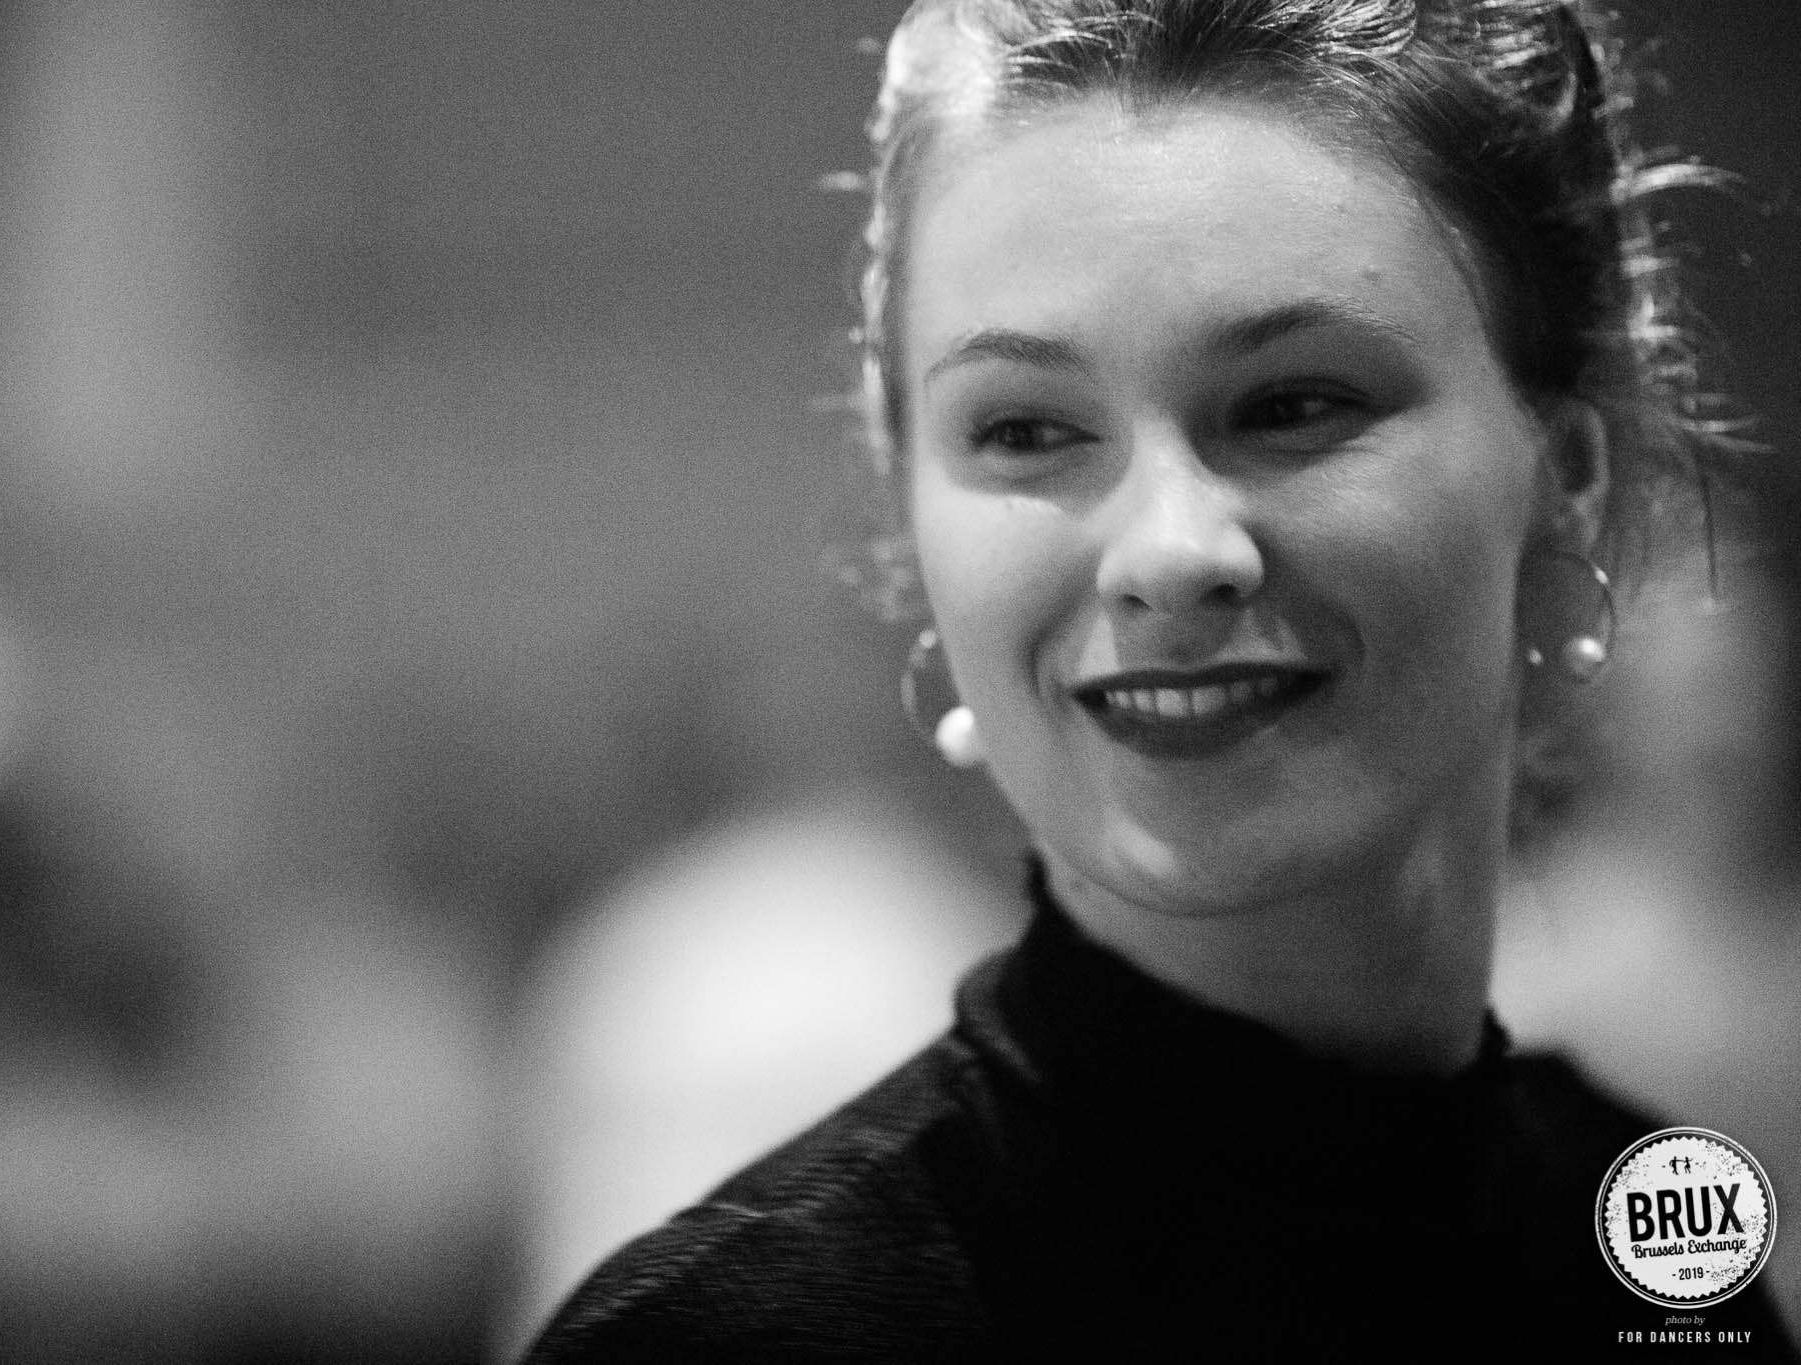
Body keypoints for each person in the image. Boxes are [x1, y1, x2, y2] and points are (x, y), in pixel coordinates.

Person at [526, 0, 1797, 1356]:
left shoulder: (1653, 1251)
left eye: (1294, 404)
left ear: (1568, 482)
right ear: (909, 514)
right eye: (1026, 431)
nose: (1172, 554)